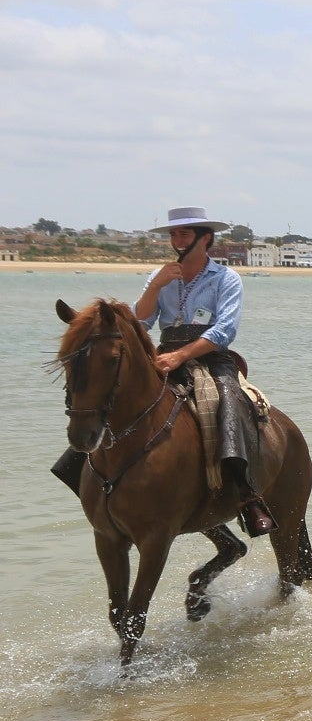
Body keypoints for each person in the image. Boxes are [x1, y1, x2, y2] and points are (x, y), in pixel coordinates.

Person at [52, 206, 276, 536]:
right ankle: (83, 473)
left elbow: (224, 330)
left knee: (231, 405)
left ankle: (247, 496)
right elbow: (140, 322)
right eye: (173, 234)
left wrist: (182, 356)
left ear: (206, 238)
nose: (176, 239)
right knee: (112, 400)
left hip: (212, 358)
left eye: (184, 233)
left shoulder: (226, 279)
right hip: (162, 355)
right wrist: (155, 287)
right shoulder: (160, 275)